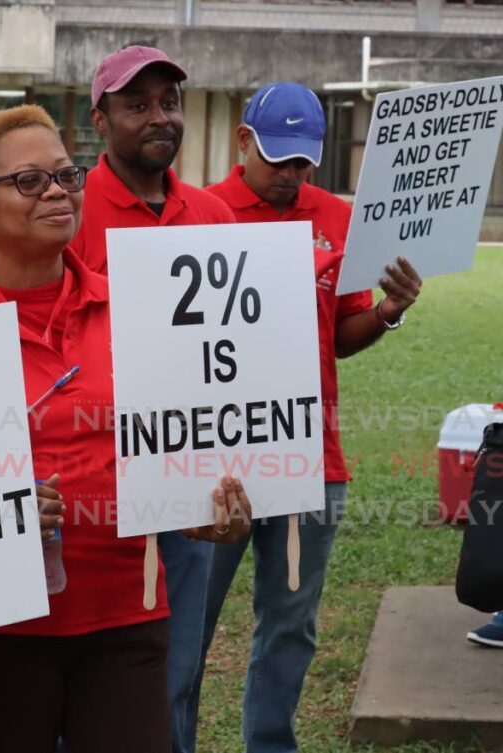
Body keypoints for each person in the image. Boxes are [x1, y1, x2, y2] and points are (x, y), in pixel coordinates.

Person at [0, 104, 251, 753]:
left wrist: (207, 506)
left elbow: (180, 451)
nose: (59, 192)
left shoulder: (143, 312)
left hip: (125, 620)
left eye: (67, 175)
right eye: (31, 181)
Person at [191, 81, 423, 753]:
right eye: (277, 159)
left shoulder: (336, 217)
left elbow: (340, 334)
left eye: (303, 163)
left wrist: (386, 311)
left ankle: (270, 744)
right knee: (188, 627)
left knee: (290, 623)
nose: (292, 175)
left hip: (309, 459)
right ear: (243, 142)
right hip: (213, 460)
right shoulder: (200, 213)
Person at [69, 45, 238, 753]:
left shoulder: (214, 215)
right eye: (138, 105)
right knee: (92, 669)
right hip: (93, 483)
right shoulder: (67, 211)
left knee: (180, 662)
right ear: (99, 118)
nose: (160, 117)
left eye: (169, 103)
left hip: (190, 473)